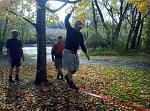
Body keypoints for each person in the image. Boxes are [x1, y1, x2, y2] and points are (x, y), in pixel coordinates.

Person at [63, 8, 90, 91]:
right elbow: (66, 20)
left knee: (75, 69)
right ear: (76, 26)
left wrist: (86, 54)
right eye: (80, 26)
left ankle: (67, 77)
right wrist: (71, 12)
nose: (81, 28)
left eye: (81, 27)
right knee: (70, 69)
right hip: (68, 52)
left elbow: (82, 45)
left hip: (74, 53)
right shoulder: (70, 30)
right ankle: (71, 83)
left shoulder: (80, 35)